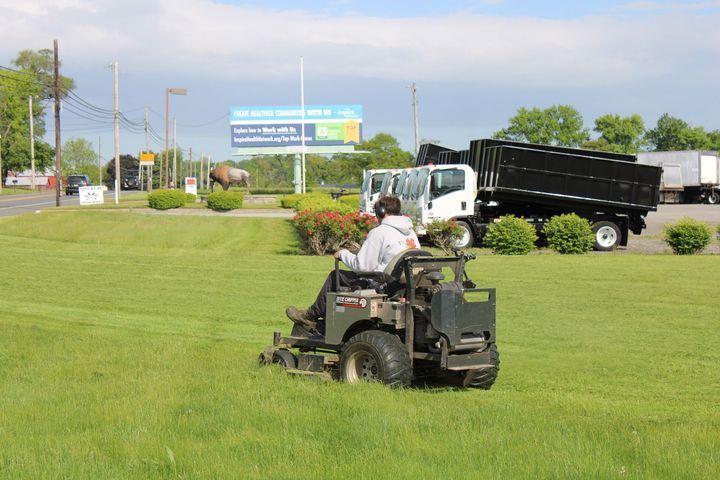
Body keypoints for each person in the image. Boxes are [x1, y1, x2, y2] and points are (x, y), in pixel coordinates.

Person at [286, 195, 419, 331]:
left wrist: (343, 254)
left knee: (335, 276)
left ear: (381, 212)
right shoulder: (410, 233)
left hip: (381, 284)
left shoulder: (379, 232)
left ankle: (310, 316)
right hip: (403, 286)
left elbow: (362, 266)